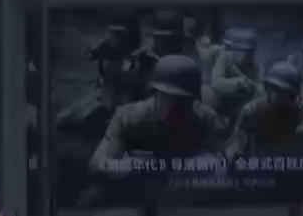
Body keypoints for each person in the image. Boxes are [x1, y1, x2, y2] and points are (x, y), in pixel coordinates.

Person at [90, 55, 227, 175]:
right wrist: (133, 165)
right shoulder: (128, 118)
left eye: (183, 100)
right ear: (156, 94)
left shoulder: (204, 119)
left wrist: (195, 165)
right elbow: (98, 163)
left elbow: (221, 165)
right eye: (169, 98)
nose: (176, 106)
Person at [226, 62, 303, 161]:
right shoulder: (252, 111)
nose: (276, 93)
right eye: (273, 88)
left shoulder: (301, 115)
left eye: (281, 90)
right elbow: (237, 146)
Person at [207, 27, 260, 118]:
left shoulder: (253, 68)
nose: (251, 55)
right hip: (215, 102)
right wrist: (238, 83)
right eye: (248, 52)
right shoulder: (224, 57)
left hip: (236, 106)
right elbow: (216, 83)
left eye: (251, 52)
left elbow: (258, 91)